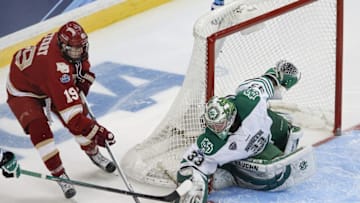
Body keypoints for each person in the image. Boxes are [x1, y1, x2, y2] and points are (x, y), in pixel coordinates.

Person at [176, 60, 316, 203]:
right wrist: (193, 184)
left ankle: (231, 169)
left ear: (230, 116)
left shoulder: (250, 101)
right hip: (252, 152)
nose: (216, 129)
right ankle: (230, 170)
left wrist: (283, 75)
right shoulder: (210, 142)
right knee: (275, 176)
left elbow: (268, 80)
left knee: (287, 131)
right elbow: (189, 166)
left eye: (220, 124)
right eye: (213, 126)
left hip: (265, 129)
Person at [6, 21, 116, 199]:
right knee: (40, 132)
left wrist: (83, 83)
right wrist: (98, 132)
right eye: (73, 50)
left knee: (80, 116)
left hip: (43, 78)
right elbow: (73, 118)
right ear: (62, 46)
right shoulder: (54, 68)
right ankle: (59, 174)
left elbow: (81, 68)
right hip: (23, 89)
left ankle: (93, 153)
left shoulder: (69, 47)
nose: (78, 52)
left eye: (80, 48)